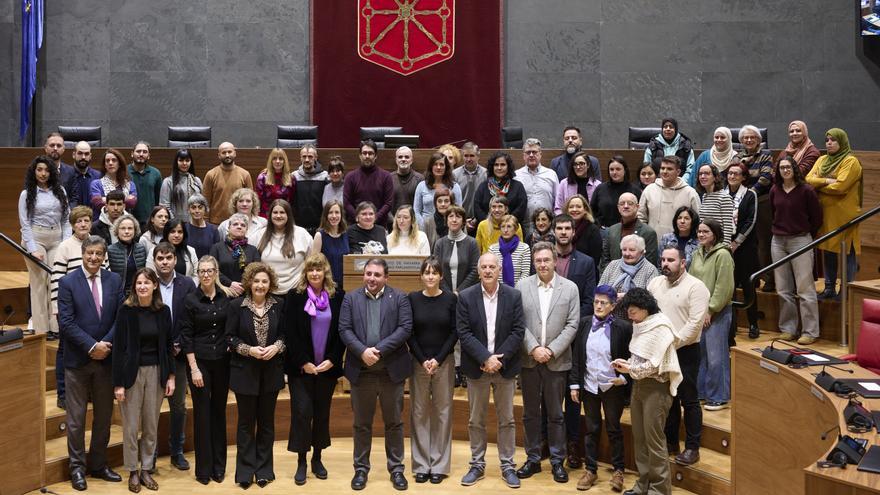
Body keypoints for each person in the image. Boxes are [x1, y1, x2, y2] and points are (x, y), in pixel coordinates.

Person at [338, 258, 413, 491]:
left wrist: (378, 351)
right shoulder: (351, 298)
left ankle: (397, 470)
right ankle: (361, 470)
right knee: (362, 424)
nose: (372, 278)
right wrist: (362, 351)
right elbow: (344, 329)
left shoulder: (399, 297)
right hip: (362, 373)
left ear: (386, 278)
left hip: (391, 373)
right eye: (368, 273)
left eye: (377, 275)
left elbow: (405, 328)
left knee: (394, 424)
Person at [57, 236, 125, 491]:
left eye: (99, 254)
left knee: (104, 417)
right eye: (90, 254)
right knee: (75, 419)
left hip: (107, 360)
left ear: (104, 256)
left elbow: (121, 318)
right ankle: (77, 468)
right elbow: (66, 323)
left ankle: (98, 464)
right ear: (83, 254)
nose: (94, 258)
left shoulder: (114, 280)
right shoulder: (67, 282)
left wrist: (104, 346)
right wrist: (91, 346)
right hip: (77, 361)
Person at [457, 252, 525, 489]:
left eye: (492, 267)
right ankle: (477, 464)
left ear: (499, 270)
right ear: (478, 270)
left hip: (505, 368)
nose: (487, 270)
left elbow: (518, 331)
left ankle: (508, 465)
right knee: (476, 419)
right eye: (484, 267)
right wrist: (485, 358)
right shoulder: (465, 297)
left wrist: (498, 360)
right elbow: (463, 333)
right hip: (477, 367)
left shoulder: (514, 296)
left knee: (506, 419)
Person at [515, 242, 580, 483]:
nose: (542, 264)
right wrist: (533, 348)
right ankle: (532, 459)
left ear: (555, 261)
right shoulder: (522, 286)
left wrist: (550, 350)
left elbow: (573, 324)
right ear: (534, 262)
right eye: (538, 261)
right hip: (529, 360)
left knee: (556, 414)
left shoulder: (570, 288)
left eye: (546, 260)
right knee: (530, 414)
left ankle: (556, 461)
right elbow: (518, 322)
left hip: (557, 360)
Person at [611, 288, 681, 495]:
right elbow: (639, 356)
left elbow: (654, 365)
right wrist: (627, 363)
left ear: (645, 308)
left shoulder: (661, 327)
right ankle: (643, 485)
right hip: (639, 386)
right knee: (639, 439)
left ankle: (659, 489)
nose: (630, 316)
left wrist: (630, 369)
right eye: (628, 312)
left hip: (657, 389)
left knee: (654, 440)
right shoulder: (639, 325)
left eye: (633, 311)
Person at [283, 253, 345, 485]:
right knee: (302, 413)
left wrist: (333, 359)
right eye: (311, 270)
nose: (315, 274)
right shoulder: (295, 296)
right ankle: (301, 460)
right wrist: (303, 362)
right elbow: (290, 333)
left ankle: (317, 458)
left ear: (325, 272)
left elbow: (341, 332)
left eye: (319, 269)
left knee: (321, 414)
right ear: (306, 273)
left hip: (326, 368)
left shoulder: (337, 296)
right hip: (302, 369)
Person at [112, 268, 176, 492]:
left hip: (157, 372)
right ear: (134, 286)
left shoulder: (163, 311)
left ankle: (146, 469)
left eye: (146, 283)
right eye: (138, 283)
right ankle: (132, 470)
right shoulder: (126, 311)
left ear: (155, 286)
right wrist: (118, 383)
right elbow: (118, 348)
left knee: (151, 424)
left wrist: (171, 376)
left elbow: (168, 346)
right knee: (130, 426)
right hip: (131, 374)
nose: (142, 287)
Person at [648, 247, 710, 468]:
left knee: (689, 399)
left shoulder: (696, 287)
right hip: (661, 350)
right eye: (663, 259)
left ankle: (692, 447)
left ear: (683, 262)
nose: (665, 263)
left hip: (685, 351)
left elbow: (694, 324)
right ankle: (671, 442)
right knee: (669, 399)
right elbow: (649, 315)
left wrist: (672, 343)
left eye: (671, 260)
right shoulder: (655, 283)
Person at [226, 262, 286, 488]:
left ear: (270, 284)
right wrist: (248, 350)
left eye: (264, 281)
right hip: (245, 373)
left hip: (271, 373)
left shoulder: (279, 305)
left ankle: (264, 470)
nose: (260, 285)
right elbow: (229, 337)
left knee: (267, 424)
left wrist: (277, 346)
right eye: (256, 281)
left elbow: (285, 335)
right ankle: (244, 471)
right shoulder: (236, 306)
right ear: (249, 282)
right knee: (245, 424)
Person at [569, 285, 632, 492]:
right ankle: (591, 469)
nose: (598, 306)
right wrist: (575, 384)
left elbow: (630, 357)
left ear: (613, 306)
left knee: (614, 429)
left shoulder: (623, 327)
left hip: (612, 387)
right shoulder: (585, 324)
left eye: (603, 303)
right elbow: (578, 356)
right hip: (589, 386)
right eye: (596, 301)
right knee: (592, 429)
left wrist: (623, 379)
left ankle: (618, 470)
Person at [180, 255, 233, 485]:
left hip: (222, 361)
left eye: (210, 270)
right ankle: (204, 469)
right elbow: (186, 337)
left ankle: (219, 467)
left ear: (217, 272)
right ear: (198, 273)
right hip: (199, 362)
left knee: (219, 413)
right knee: (202, 414)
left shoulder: (225, 298)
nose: (206, 275)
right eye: (202, 271)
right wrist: (193, 369)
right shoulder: (190, 300)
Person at [408, 257, 458, 484]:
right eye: (426, 272)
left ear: (441, 276)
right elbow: (409, 332)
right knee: (419, 412)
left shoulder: (450, 299)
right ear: (421, 276)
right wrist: (422, 359)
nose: (430, 276)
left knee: (442, 412)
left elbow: (455, 332)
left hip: (443, 362)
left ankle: (439, 464)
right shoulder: (413, 299)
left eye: (434, 272)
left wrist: (437, 360)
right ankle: (421, 464)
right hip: (418, 363)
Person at [148, 242, 197, 472]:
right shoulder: (148, 283)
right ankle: (151, 454)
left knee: (178, 406)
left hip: (177, 355)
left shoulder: (187, 283)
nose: (165, 261)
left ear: (175, 260)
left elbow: (190, 318)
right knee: (152, 407)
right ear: (155, 260)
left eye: (169, 257)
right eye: (160, 258)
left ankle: (176, 451)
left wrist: (178, 343)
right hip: (153, 355)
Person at [771, 156, 823, 345]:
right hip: (777, 241)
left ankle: (810, 331)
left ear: (794, 169)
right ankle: (788, 328)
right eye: (782, 168)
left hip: (800, 240)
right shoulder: (775, 190)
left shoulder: (806, 190)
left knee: (804, 288)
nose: (785, 170)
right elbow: (773, 213)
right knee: (783, 288)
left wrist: (805, 234)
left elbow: (817, 218)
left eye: (788, 167)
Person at [806, 128, 863, 300]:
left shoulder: (851, 161)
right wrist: (826, 180)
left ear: (842, 142)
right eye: (827, 140)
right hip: (826, 213)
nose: (829, 143)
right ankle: (829, 288)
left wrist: (819, 185)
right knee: (828, 250)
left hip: (845, 215)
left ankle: (846, 290)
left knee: (847, 253)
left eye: (833, 140)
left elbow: (840, 187)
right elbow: (808, 180)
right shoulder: (823, 159)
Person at [50, 206, 96, 409]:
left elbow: (106, 271)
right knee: (65, 350)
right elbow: (56, 278)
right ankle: (63, 393)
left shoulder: (96, 243)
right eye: (79, 221)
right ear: (72, 225)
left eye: (86, 220)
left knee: (90, 347)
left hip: (94, 308)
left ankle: (89, 392)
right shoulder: (65, 246)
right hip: (70, 309)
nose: (83, 224)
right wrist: (57, 307)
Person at [20, 155, 71, 335]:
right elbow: (25, 223)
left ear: (52, 173)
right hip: (36, 237)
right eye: (39, 170)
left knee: (56, 281)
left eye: (46, 170)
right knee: (39, 282)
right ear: (34, 172)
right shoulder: (27, 193)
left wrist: (66, 243)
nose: (43, 173)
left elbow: (66, 220)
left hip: (57, 237)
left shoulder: (60, 191)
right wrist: (32, 249)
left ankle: (56, 327)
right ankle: (41, 330)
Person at [689, 220, 735, 411]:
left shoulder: (723, 255)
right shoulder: (696, 253)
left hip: (718, 312)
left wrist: (711, 309)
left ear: (715, 234)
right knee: (701, 355)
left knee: (717, 356)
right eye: (699, 231)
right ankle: (702, 392)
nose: (700, 235)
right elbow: (691, 281)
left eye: (705, 231)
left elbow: (724, 287)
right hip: (699, 312)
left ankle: (719, 396)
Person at [724, 161, 759, 339]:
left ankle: (753, 323)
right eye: (730, 173)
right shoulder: (722, 194)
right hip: (725, 247)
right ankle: (731, 325)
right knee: (728, 288)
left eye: (736, 174)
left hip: (745, 249)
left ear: (744, 177)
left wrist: (737, 242)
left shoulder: (750, 195)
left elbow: (750, 221)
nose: (732, 176)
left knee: (748, 287)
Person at [738, 125, 775, 290]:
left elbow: (766, 178)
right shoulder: (738, 157)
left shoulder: (765, 155)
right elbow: (734, 176)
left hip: (762, 202)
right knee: (746, 242)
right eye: (745, 137)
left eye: (752, 137)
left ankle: (769, 279)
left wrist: (749, 193)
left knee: (764, 242)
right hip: (743, 204)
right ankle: (750, 277)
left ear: (759, 139)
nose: (749, 140)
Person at [637, 155, 701, 241]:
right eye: (662, 168)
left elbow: (698, 221)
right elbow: (641, 217)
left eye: (669, 169)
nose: (665, 171)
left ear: (678, 172)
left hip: (681, 246)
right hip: (653, 244)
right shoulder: (649, 190)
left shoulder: (690, 193)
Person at [256, 199, 313, 294]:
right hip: (267, 292)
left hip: (296, 292)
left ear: (288, 215)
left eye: (282, 212)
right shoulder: (260, 234)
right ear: (270, 215)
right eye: (275, 212)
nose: (278, 216)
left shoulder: (302, 234)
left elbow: (311, 262)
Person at [600, 192, 658, 272]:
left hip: (639, 280)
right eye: (622, 203)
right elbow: (605, 261)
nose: (626, 206)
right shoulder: (611, 230)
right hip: (613, 279)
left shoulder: (648, 233)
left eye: (630, 203)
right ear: (618, 207)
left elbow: (650, 264)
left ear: (637, 207)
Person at [344, 140, 394, 226]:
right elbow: (347, 203)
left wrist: (374, 218)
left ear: (375, 156)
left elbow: (388, 203)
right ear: (360, 155)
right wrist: (359, 218)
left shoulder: (386, 176)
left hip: (379, 225)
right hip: (356, 225)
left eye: (370, 153)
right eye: (364, 153)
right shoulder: (350, 177)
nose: (367, 156)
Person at [516, 138, 559, 236]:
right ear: (523, 155)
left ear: (540, 154)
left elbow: (558, 201)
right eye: (528, 152)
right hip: (524, 225)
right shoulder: (516, 175)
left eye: (534, 152)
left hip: (548, 225)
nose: (531, 155)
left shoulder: (551, 174)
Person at [210, 212, 261, 295]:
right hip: (222, 292)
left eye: (243, 225)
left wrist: (243, 286)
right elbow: (212, 270)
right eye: (235, 224)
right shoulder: (217, 248)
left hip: (246, 293)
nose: (239, 227)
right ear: (229, 227)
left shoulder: (253, 250)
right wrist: (230, 283)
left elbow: (257, 272)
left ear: (246, 229)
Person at [203, 142, 254, 225]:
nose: (227, 155)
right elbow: (205, 201)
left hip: (239, 222)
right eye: (224, 153)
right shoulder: (211, 174)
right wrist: (205, 221)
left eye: (230, 152)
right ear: (219, 155)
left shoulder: (245, 174)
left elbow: (251, 201)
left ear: (235, 153)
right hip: (215, 223)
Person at [433, 205, 479, 293]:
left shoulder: (472, 243)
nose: (454, 220)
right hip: (444, 294)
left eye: (458, 217)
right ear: (446, 221)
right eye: (451, 216)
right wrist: (448, 294)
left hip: (467, 294)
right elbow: (436, 270)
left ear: (463, 222)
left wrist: (459, 291)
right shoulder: (439, 244)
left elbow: (475, 270)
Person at [473, 151, 527, 226]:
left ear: (508, 167)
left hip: (511, 229)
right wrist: (491, 224)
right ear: (492, 167)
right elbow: (477, 208)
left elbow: (521, 209)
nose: (499, 168)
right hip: (488, 229)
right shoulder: (483, 186)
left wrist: (506, 224)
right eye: (496, 165)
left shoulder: (518, 186)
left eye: (503, 165)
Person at [598, 234, 660, 301]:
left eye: (632, 250)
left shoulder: (650, 270)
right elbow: (600, 289)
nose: (627, 254)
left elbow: (650, 299)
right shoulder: (613, 265)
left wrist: (627, 297)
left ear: (642, 252)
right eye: (624, 250)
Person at [590, 155, 642, 229]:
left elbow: (640, 213)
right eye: (611, 169)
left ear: (625, 170)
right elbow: (591, 211)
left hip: (628, 230)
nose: (614, 172)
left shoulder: (635, 190)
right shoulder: (600, 188)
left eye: (618, 169)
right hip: (604, 230)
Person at [414, 152, 463, 228]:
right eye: (435, 164)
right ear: (431, 167)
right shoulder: (421, 186)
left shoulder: (454, 187)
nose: (438, 167)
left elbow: (458, 210)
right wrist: (424, 226)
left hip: (448, 228)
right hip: (425, 227)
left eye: (442, 164)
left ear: (446, 167)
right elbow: (416, 211)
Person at [107, 214, 147, 296]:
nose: (126, 231)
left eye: (130, 228)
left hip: (138, 293)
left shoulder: (141, 249)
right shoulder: (110, 250)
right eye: (123, 228)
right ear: (117, 231)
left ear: (135, 230)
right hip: (117, 294)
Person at [90, 148, 138, 217]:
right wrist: (125, 198)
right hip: (104, 224)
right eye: (107, 161)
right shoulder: (96, 184)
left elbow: (132, 202)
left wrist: (105, 199)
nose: (110, 163)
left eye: (114, 160)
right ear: (105, 165)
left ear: (119, 164)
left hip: (124, 224)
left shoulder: (129, 184)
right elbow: (98, 203)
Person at [293, 144, 328, 234]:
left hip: (320, 227)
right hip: (299, 228)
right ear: (300, 158)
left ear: (316, 158)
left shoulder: (325, 176)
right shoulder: (294, 176)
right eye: (304, 157)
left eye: (310, 157)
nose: (307, 160)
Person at [452, 142, 487, 234]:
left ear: (478, 156)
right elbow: (453, 201)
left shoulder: (486, 174)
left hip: (482, 221)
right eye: (466, 156)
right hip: (460, 221)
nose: (468, 159)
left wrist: (477, 219)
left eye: (472, 156)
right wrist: (462, 220)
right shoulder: (455, 174)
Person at [312, 200, 349, 286]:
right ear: (326, 215)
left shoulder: (346, 234)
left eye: (337, 212)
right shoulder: (319, 235)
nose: (334, 216)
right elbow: (314, 264)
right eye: (330, 212)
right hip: (326, 284)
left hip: (344, 284)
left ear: (341, 215)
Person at [488, 215, 531, 287]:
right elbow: (491, 272)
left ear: (515, 229)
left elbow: (525, 274)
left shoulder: (524, 248)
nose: (505, 230)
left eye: (509, 226)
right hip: (497, 290)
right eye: (503, 226)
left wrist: (513, 291)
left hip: (518, 290)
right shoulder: (492, 249)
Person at [159, 148, 202, 222]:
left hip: (195, 222)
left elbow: (202, 203)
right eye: (181, 160)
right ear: (176, 162)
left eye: (187, 160)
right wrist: (176, 223)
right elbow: (165, 207)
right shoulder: (168, 182)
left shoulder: (196, 181)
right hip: (177, 225)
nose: (184, 163)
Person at [696, 164, 735, 243]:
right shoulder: (704, 196)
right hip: (706, 243)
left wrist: (725, 247)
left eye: (707, 173)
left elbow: (728, 227)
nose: (703, 176)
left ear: (715, 177)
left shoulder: (724, 197)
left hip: (719, 245)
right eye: (700, 174)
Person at [563, 194, 603, 268]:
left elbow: (595, 259)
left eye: (578, 207)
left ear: (585, 210)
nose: (574, 209)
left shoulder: (593, 230)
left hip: (586, 273)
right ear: (567, 210)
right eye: (571, 207)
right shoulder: (562, 229)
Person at [128, 142, 163, 226]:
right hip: (129, 221)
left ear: (149, 155)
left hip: (149, 221)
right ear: (132, 154)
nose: (141, 154)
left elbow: (159, 199)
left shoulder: (156, 173)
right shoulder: (124, 172)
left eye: (144, 152)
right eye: (138, 151)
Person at [255, 148, 295, 219]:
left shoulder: (291, 178)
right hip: (266, 216)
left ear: (284, 161)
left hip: (284, 216)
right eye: (274, 159)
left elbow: (292, 201)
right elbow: (258, 200)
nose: (277, 161)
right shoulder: (263, 177)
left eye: (281, 159)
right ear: (271, 161)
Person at [184, 194, 222, 259]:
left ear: (205, 209)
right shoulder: (184, 228)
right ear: (188, 210)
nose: (197, 211)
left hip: (207, 267)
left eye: (200, 207)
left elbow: (217, 253)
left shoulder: (213, 230)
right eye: (193, 207)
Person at [67, 141, 101, 209]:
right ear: (74, 155)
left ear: (90, 156)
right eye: (80, 153)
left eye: (86, 154)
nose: (83, 157)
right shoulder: (67, 175)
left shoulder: (98, 176)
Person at [391, 146, 424, 216]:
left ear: (411, 160)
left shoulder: (420, 179)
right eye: (400, 157)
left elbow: (422, 206)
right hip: (392, 223)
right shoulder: (388, 178)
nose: (403, 159)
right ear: (396, 160)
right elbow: (385, 203)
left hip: (413, 223)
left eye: (407, 157)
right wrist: (394, 221)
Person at [42, 131, 76, 199]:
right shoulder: (37, 171)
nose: (55, 148)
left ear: (63, 149)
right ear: (45, 148)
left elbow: (74, 197)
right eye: (52, 145)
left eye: (59, 146)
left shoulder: (71, 172)